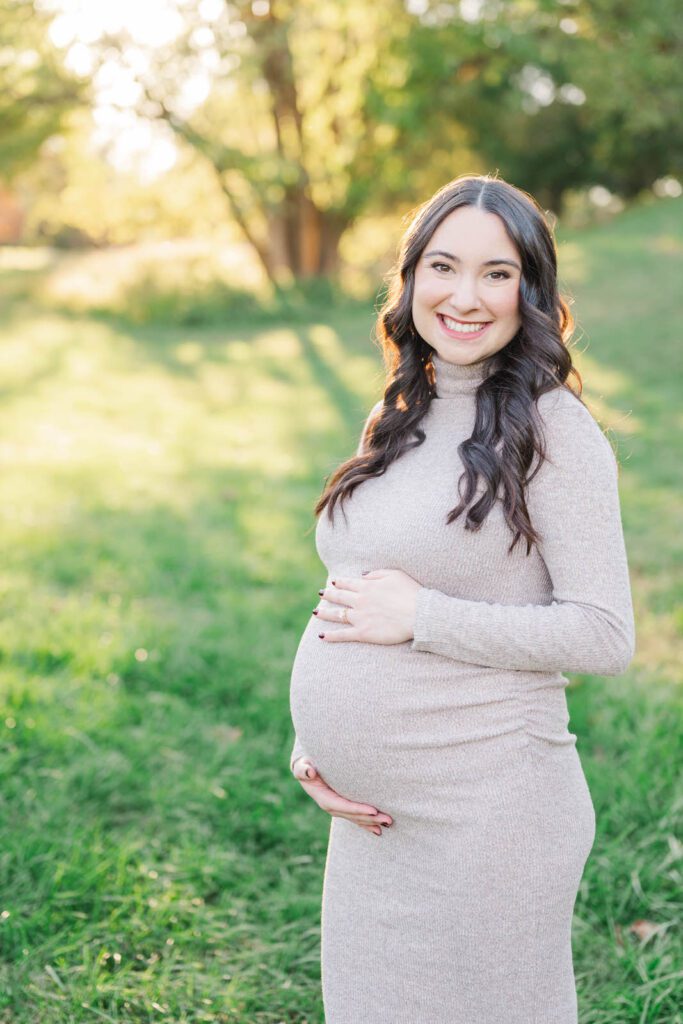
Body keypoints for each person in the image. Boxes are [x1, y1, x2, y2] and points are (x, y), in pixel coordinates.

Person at [287, 173, 635, 1023]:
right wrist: (314, 743)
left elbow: (603, 634)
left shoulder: (553, 429)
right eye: (443, 266)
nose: (465, 296)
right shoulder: (398, 412)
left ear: (531, 291)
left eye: (497, 272)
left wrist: (425, 619)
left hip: (490, 820)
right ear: (408, 282)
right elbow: (352, 585)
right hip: (373, 824)